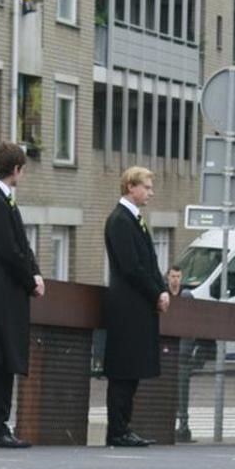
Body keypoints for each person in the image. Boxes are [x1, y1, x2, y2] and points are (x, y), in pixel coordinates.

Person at [0, 141, 43, 448]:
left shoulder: (2, 200)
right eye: (23, 169)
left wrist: (34, 272)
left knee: (5, 354)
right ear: (15, 169)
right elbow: (9, 250)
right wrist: (31, 280)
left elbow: (22, 246)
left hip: (7, 285)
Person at [102, 167, 168, 448]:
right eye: (147, 187)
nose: (151, 192)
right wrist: (156, 293)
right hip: (127, 306)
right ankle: (117, 430)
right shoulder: (119, 221)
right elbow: (131, 267)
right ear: (131, 187)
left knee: (132, 370)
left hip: (139, 305)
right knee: (123, 370)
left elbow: (150, 263)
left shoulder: (135, 220)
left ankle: (124, 427)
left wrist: (162, 288)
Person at [168, 266, 199, 443]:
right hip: (168, 350)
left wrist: (190, 347)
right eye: (173, 276)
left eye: (178, 276)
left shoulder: (186, 296)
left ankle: (183, 426)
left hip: (183, 351)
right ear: (168, 277)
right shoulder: (164, 294)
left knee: (182, 389)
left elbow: (192, 321)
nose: (175, 280)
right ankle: (170, 424)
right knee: (169, 388)